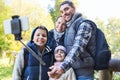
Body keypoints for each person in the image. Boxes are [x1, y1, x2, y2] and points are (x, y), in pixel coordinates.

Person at [48, 1, 96, 80]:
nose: (64, 13)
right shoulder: (68, 27)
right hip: (72, 72)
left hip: (84, 74)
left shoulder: (83, 24)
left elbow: (78, 48)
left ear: (74, 9)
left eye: (66, 9)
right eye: (62, 12)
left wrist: (62, 67)